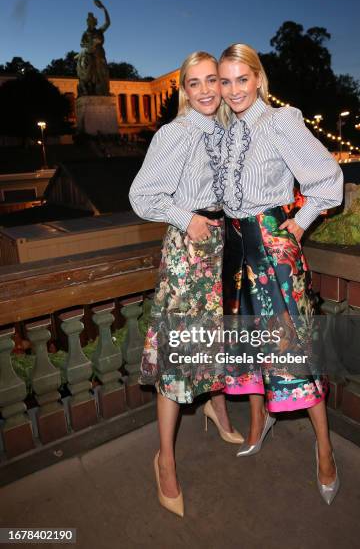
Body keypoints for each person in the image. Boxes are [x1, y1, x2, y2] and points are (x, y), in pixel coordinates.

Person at [217, 43, 343, 505]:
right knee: (249, 343)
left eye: (241, 79)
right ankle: (258, 421)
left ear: (258, 78)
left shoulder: (280, 122)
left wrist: (298, 224)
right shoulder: (224, 132)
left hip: (271, 250)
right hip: (235, 254)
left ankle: (325, 450)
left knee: (295, 351)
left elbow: (328, 178)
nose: (233, 90)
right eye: (225, 81)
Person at [129, 51, 243, 518]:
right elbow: (141, 195)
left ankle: (216, 407)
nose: (205, 90)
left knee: (214, 336)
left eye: (211, 80)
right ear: (184, 90)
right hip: (189, 251)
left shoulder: (229, 131)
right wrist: (185, 217)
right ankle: (166, 460)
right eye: (193, 83)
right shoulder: (174, 134)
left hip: (222, 246)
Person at [77, 0, 110, 96]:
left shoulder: (99, 31)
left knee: (104, 72)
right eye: (88, 21)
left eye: (91, 21)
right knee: (88, 68)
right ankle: (88, 87)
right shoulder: (85, 33)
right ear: (87, 22)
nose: (90, 22)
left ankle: (103, 91)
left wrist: (104, 9)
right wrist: (91, 45)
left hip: (100, 54)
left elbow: (108, 23)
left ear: (95, 22)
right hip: (90, 53)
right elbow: (82, 44)